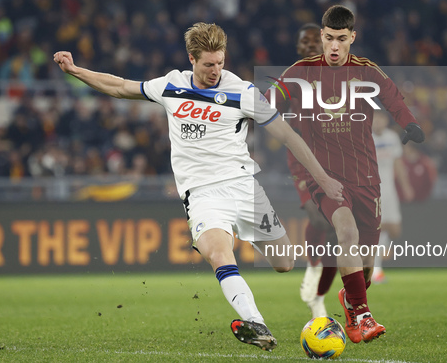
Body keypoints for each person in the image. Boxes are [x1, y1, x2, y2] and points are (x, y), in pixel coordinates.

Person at [53, 22, 343, 351]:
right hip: (203, 193)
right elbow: (120, 86)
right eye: (208, 64)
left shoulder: (244, 92)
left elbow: (289, 136)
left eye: (220, 62)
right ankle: (256, 323)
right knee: (219, 253)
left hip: (243, 187)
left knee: (284, 262)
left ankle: (259, 309)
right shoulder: (170, 86)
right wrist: (75, 70)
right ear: (192, 59)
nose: (216, 70)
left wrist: (323, 177)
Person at [270, 5, 425, 344]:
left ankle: (352, 299)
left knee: (365, 265)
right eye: (329, 39)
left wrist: (409, 123)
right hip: (325, 178)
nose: (335, 47)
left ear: (352, 37)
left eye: (342, 39)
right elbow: (272, 100)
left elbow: (393, 97)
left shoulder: (366, 71)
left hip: (366, 176)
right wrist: (253, 114)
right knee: (346, 231)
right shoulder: (301, 71)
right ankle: (363, 315)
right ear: (322, 38)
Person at [280, 23, 338, 318]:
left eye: (319, 40)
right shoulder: (291, 77)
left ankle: (327, 293)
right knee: (318, 215)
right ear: (299, 46)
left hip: (337, 159)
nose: (313, 44)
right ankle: (313, 267)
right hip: (302, 158)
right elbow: (269, 109)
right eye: (307, 41)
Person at [371, 110, 415, 284]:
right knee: (376, 228)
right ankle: (376, 270)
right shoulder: (365, 137)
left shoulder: (392, 138)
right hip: (372, 190)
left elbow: (398, 164)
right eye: (375, 118)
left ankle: (374, 265)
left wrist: (406, 186)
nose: (378, 122)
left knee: (394, 230)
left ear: (386, 120)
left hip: (389, 190)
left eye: (381, 118)